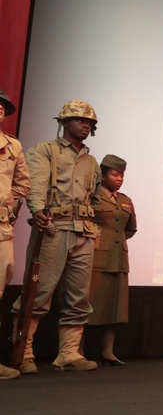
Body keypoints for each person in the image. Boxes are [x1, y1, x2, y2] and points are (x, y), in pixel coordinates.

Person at [17, 100, 102, 373]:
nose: (86, 124)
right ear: (64, 122)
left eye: (90, 122)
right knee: (38, 290)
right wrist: (38, 210)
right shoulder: (45, 150)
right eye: (80, 119)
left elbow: (96, 197)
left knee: (78, 296)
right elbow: (35, 184)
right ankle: (23, 350)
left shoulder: (92, 161)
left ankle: (68, 353)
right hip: (54, 228)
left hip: (83, 232)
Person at [86, 155, 137, 366]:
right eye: (115, 174)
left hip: (118, 259)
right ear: (103, 175)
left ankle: (108, 352)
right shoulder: (92, 196)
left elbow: (131, 229)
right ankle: (75, 351)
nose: (119, 179)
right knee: (87, 305)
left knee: (115, 308)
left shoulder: (125, 200)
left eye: (122, 175)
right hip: (95, 258)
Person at [0, 90, 30, 379]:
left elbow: (24, 184)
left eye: (2, 106)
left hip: (1, 228)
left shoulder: (12, 146)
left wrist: (6, 200)